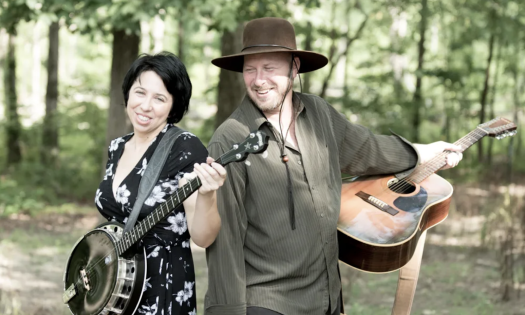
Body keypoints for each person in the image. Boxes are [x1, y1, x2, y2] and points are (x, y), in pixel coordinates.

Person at [204, 17, 463, 315]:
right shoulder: (230, 139)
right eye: (250, 69)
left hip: (325, 298)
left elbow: (369, 149)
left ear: (294, 67)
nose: (259, 80)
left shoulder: (319, 114)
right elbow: (224, 243)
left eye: (270, 68)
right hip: (266, 303)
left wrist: (423, 152)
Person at [95, 52, 226, 315]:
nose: (145, 106)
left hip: (162, 291)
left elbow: (203, 236)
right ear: (128, 93)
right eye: (140, 92)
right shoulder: (118, 147)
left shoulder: (184, 148)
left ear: (173, 106)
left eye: (159, 98)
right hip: (117, 290)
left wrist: (208, 196)